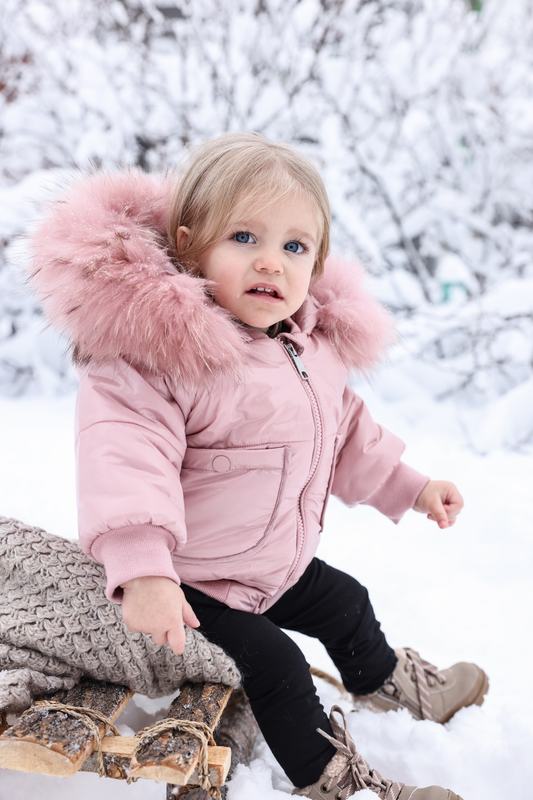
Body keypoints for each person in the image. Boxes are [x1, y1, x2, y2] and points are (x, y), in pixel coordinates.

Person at [29, 133, 487, 800]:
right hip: (188, 592)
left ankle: (386, 684)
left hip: (270, 566)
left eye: (293, 247)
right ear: (191, 244)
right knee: (276, 662)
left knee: (346, 601)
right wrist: (146, 570)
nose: (270, 263)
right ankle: (332, 782)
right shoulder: (158, 358)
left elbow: (346, 434)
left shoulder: (308, 351)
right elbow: (124, 463)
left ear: (317, 261)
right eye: (244, 238)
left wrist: (410, 486)